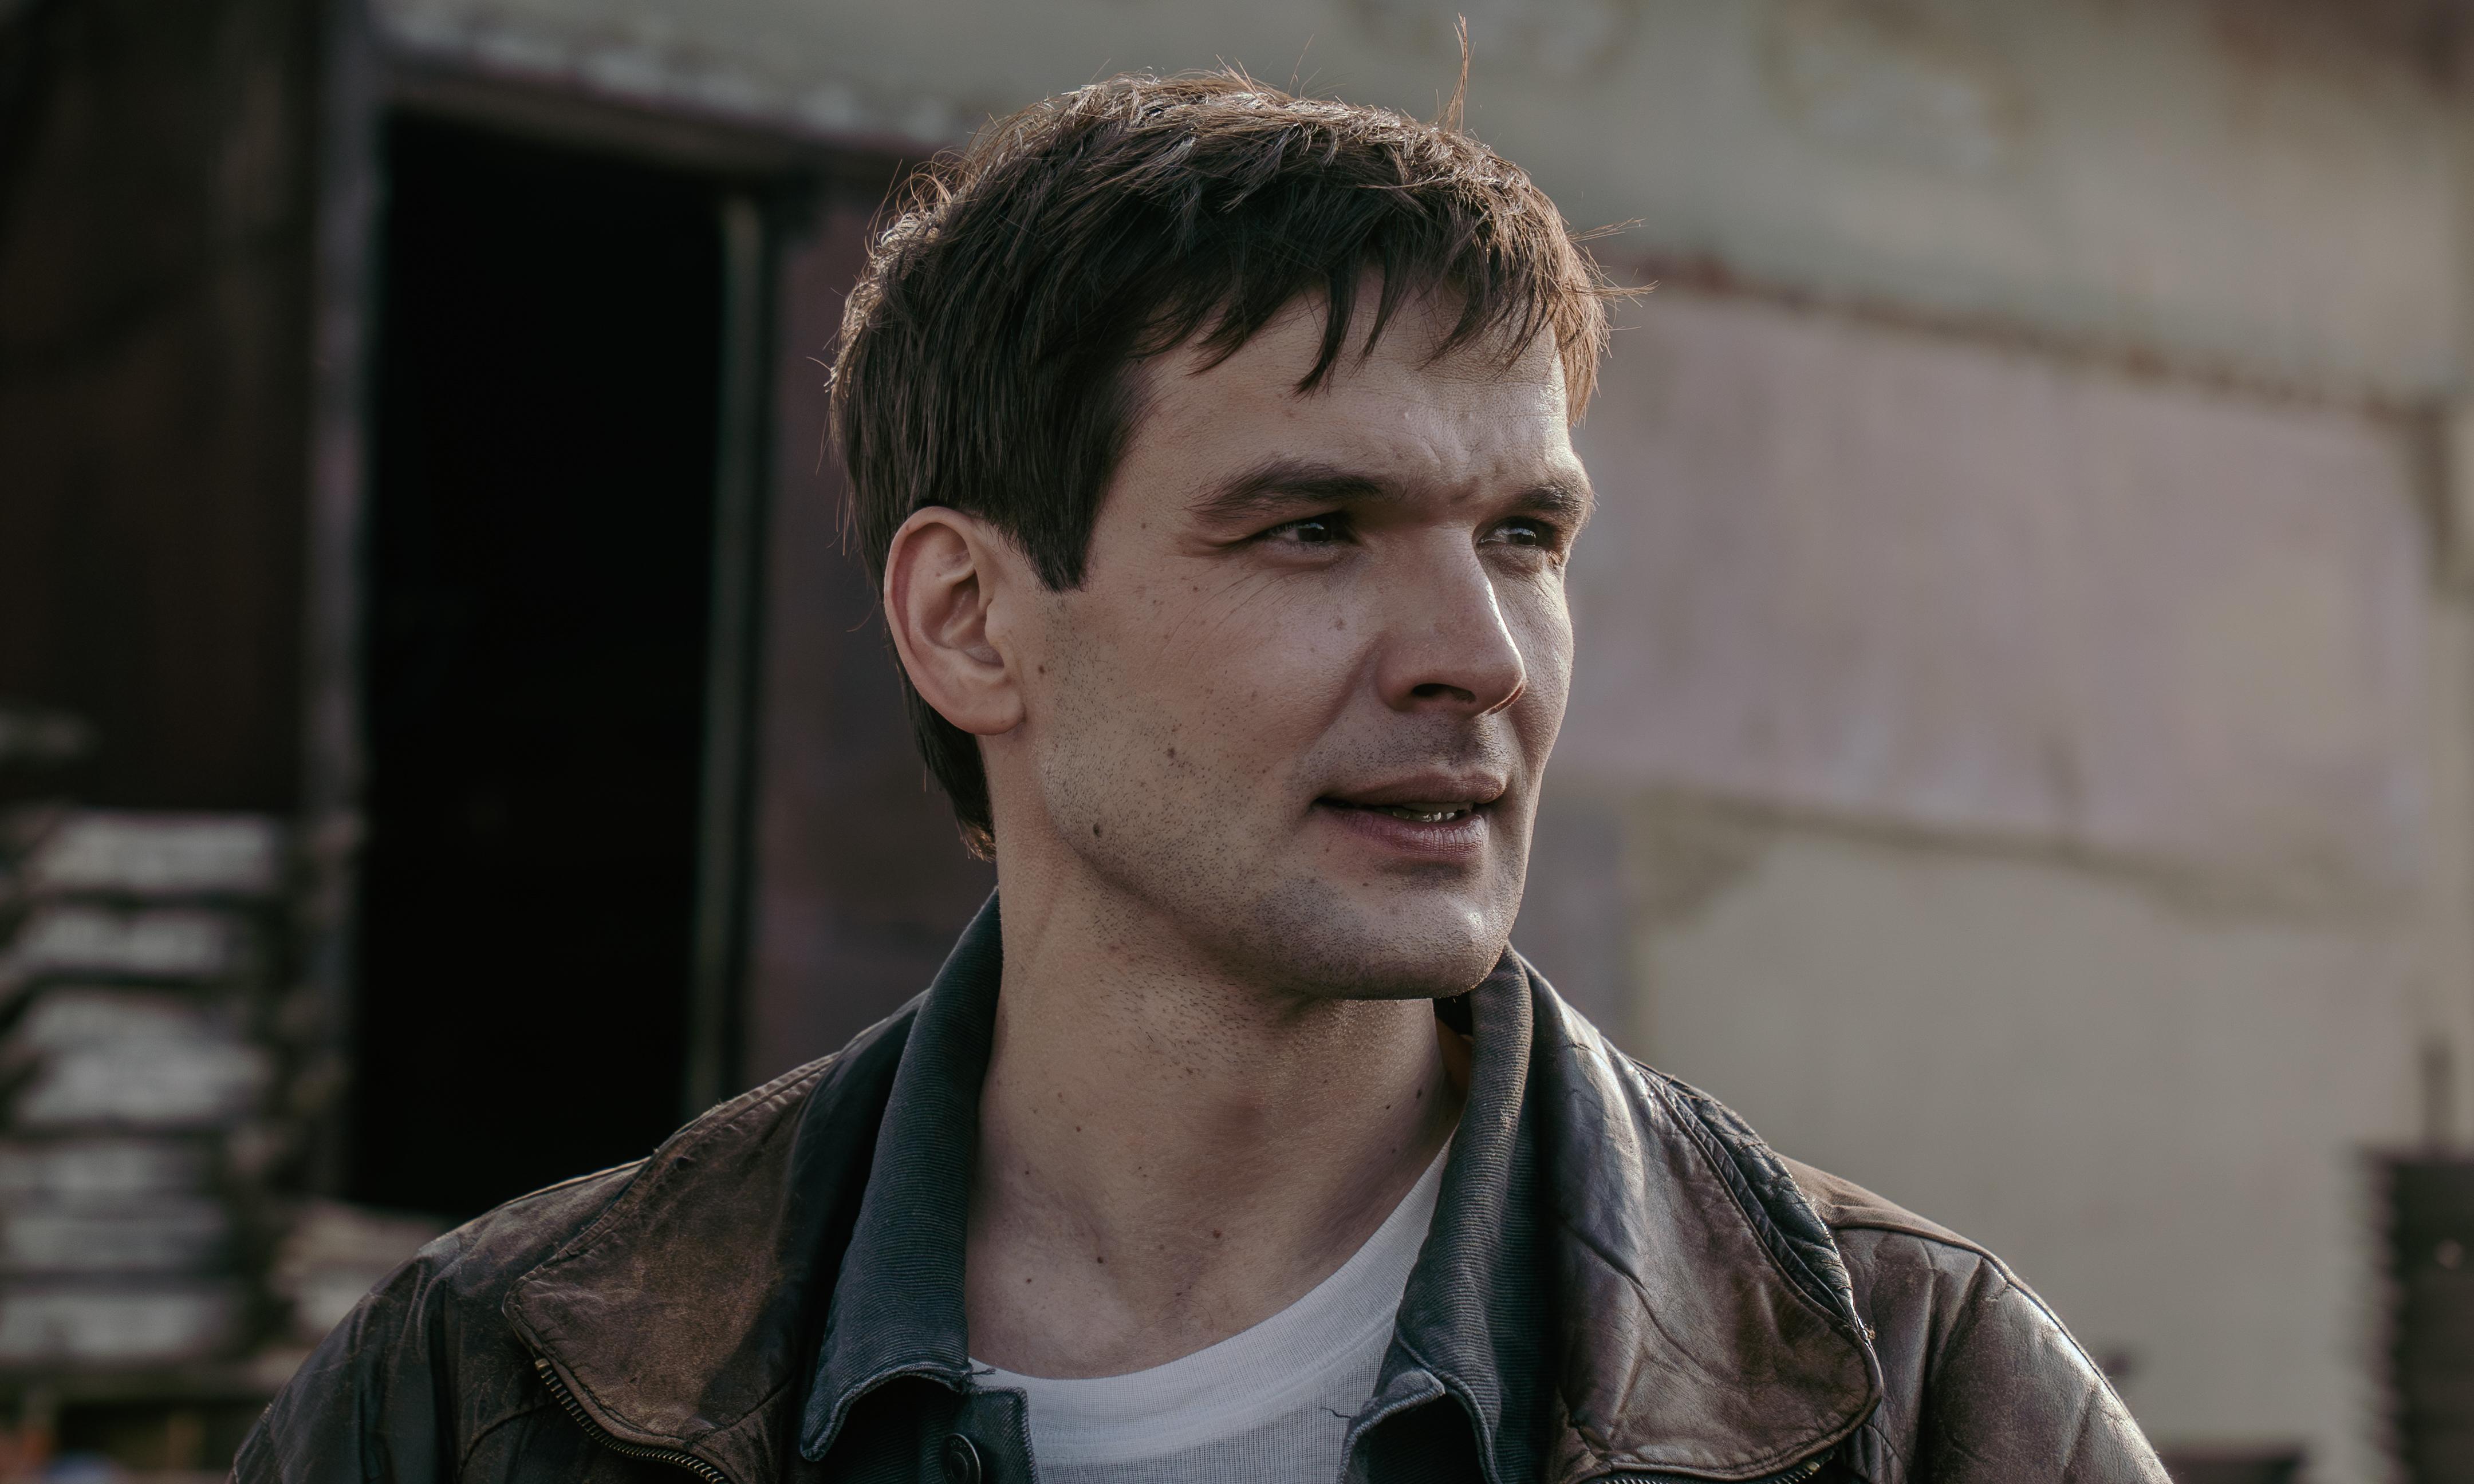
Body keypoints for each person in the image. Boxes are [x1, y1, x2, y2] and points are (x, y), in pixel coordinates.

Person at [239, 71, 2164, 1484]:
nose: (1478, 655)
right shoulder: (485, 1400)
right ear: (972, 622)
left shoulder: (1916, 1401)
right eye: (1315, 528)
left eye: (1522, 537)